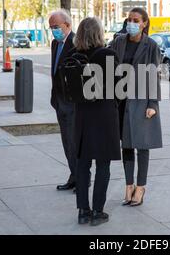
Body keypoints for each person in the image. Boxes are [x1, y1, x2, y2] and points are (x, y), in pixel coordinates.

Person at [67, 17, 121, 226]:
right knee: (103, 165)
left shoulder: (73, 56)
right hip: (104, 115)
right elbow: (119, 87)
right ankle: (98, 212)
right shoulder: (108, 55)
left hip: (82, 116)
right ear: (98, 33)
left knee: (83, 164)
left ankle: (83, 211)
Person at [109, 7, 163, 207]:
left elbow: (154, 75)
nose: (131, 23)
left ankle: (141, 187)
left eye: (136, 20)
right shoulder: (118, 41)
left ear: (144, 23)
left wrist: (152, 103)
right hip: (121, 101)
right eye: (129, 19)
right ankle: (128, 185)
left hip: (142, 100)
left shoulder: (151, 46)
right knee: (127, 145)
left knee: (143, 145)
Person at [49, 9, 78, 192]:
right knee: (66, 143)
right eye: (51, 27)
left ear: (67, 25)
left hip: (72, 103)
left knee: (74, 143)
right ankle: (73, 175)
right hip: (59, 101)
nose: (53, 30)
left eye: (56, 27)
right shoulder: (55, 43)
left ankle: (81, 178)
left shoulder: (76, 43)